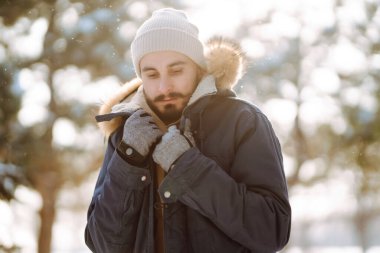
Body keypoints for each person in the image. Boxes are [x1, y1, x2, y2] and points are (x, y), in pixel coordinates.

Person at [85, 8, 291, 253]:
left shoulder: (243, 121)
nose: (164, 86)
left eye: (176, 70)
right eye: (151, 74)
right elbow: (101, 244)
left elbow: (272, 231)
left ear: (197, 68)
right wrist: (128, 159)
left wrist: (187, 167)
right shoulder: (126, 134)